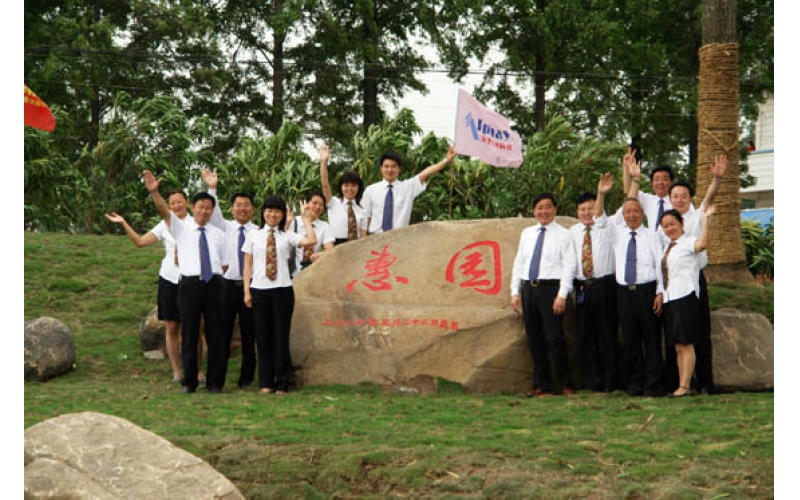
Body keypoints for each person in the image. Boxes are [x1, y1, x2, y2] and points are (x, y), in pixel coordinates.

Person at [104, 190, 206, 384]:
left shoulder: (197, 223)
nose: (176, 206)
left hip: (191, 279)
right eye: (172, 203)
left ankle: (198, 370)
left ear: (187, 203)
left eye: (179, 202)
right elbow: (140, 242)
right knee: (171, 327)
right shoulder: (164, 225)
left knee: (193, 327)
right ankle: (176, 371)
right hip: (169, 278)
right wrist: (124, 223)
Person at [144, 170, 228, 394]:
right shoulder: (181, 228)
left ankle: (215, 382)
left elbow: (225, 264)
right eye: (200, 207)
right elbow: (164, 211)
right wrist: (154, 193)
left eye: (208, 207)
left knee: (215, 335)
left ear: (212, 210)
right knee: (189, 333)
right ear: (193, 207)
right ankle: (189, 382)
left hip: (214, 284)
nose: (204, 211)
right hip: (189, 285)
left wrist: (213, 280)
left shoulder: (219, 234)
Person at [651, 154, 728, 395]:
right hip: (671, 286)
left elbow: (709, 199)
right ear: (669, 199)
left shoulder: (696, 217)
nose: (679, 199)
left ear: (690, 198)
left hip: (693, 282)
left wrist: (716, 179)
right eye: (675, 196)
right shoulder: (666, 225)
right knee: (675, 338)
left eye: (684, 195)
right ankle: (676, 383)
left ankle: (704, 383)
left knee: (699, 334)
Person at [595, 170, 665, 397]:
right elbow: (599, 219)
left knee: (651, 339)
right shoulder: (616, 233)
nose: (632, 215)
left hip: (647, 291)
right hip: (624, 292)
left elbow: (659, 265)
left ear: (642, 214)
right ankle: (635, 383)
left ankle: (653, 385)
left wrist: (660, 292)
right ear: (623, 215)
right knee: (630, 339)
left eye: (636, 211)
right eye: (628, 212)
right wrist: (601, 194)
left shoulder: (652, 235)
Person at [242, 196, 317, 395]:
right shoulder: (253, 235)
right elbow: (247, 265)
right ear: (263, 212)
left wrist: (306, 219)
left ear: (283, 214)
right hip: (259, 290)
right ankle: (266, 382)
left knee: (281, 337)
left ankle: (282, 382)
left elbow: (311, 240)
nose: (272, 214)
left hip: (282, 290)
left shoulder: (287, 235)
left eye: (277, 211)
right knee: (262, 338)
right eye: (269, 210)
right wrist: (246, 291)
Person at [510, 193, 576, 397]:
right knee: (534, 338)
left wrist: (562, 295)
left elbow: (569, 266)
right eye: (539, 207)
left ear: (554, 209)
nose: (543, 211)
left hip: (551, 289)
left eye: (547, 207)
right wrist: (515, 292)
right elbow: (519, 263)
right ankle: (541, 385)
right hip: (529, 289)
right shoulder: (527, 233)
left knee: (554, 338)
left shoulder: (564, 234)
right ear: (534, 211)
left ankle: (566, 384)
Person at [201, 168, 258, 389]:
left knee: (249, 334)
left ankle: (246, 379)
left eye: (246, 205)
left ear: (253, 209)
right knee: (221, 334)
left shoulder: (258, 231)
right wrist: (212, 188)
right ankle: (217, 380)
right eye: (238, 205)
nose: (242, 208)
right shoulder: (224, 227)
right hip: (226, 286)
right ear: (232, 209)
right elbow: (214, 213)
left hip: (251, 286)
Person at [658, 205, 714, 398]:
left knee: (686, 342)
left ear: (682, 224)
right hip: (670, 298)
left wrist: (705, 221)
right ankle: (682, 385)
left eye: (672, 224)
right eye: (665, 226)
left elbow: (702, 244)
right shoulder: (668, 247)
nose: (669, 228)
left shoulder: (688, 242)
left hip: (685, 296)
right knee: (678, 346)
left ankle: (684, 385)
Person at [568, 191, 617, 392]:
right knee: (585, 335)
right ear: (577, 212)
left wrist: (601, 194)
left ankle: (610, 381)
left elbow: (602, 217)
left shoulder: (607, 227)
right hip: (582, 287)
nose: (587, 213)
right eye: (583, 209)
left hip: (605, 286)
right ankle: (590, 381)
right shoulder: (572, 232)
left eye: (591, 208)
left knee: (607, 334)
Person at [362, 145, 456, 234]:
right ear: (381, 169)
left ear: (399, 169)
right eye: (386, 166)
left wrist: (446, 160)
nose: (390, 170)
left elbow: (426, 173)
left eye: (393, 166)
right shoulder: (370, 190)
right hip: (376, 238)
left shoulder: (407, 187)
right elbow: (366, 218)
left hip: (400, 238)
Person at [622, 147, 683, 230]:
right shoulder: (649, 200)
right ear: (652, 183)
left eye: (665, 179)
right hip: (652, 238)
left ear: (672, 182)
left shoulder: (679, 202)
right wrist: (626, 167)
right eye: (656, 180)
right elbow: (629, 192)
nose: (660, 183)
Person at [318, 143, 367, 244]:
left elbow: (363, 236)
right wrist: (323, 162)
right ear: (341, 187)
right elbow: (325, 184)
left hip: (356, 246)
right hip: (336, 245)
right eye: (346, 185)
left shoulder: (362, 210)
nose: (350, 189)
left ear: (359, 188)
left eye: (353, 185)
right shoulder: (333, 202)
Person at [289, 189, 335, 277]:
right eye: (314, 203)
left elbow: (330, 250)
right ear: (306, 203)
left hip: (313, 274)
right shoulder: (293, 222)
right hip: (291, 273)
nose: (317, 207)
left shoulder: (324, 226)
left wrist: (321, 254)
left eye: (321, 205)